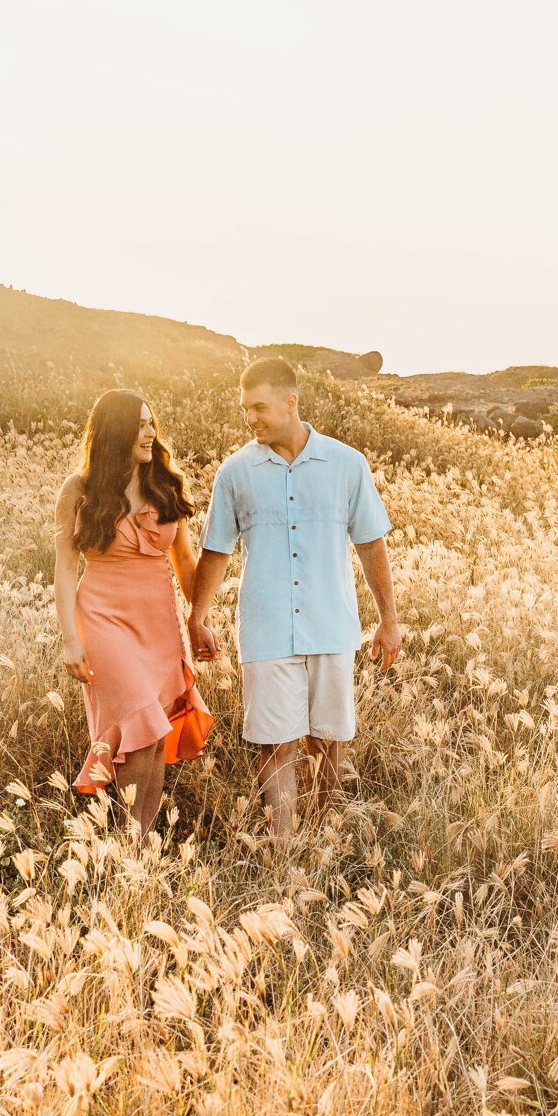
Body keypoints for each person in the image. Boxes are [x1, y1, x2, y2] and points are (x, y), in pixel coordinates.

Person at [188, 357, 402, 846]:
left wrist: (389, 620)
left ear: (291, 401)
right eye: (245, 410)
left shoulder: (346, 464)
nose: (252, 419)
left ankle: (323, 838)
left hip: (331, 625)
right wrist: (196, 616)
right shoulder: (236, 471)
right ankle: (283, 850)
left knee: (328, 740)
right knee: (275, 744)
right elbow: (217, 550)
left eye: (260, 407)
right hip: (265, 629)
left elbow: (371, 544)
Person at [55, 389, 214, 843]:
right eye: (139, 425)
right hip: (104, 620)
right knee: (138, 724)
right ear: (114, 432)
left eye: (151, 424)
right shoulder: (79, 489)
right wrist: (71, 639)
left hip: (159, 623)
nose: (149, 433)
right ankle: (132, 843)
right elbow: (65, 569)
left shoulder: (165, 484)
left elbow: (185, 562)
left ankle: (139, 847)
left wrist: (197, 618)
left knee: (153, 740)